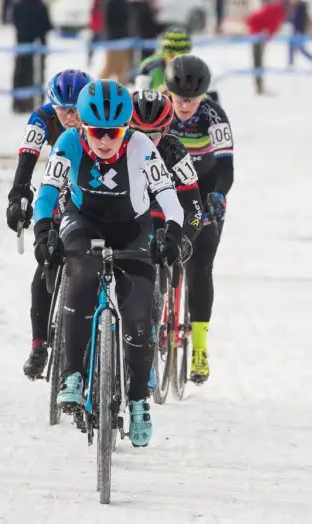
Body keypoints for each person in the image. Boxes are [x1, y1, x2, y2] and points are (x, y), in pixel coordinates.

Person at [32, 79, 185, 447]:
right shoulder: (68, 143)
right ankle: (72, 375)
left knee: (138, 315)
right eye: (97, 132)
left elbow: (168, 196)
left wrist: (174, 234)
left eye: (114, 132)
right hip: (83, 221)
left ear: (126, 128)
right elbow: (48, 192)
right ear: (83, 127)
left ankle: (136, 400)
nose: (104, 141)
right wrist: (41, 233)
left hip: (133, 227)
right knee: (82, 275)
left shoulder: (142, 147)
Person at [6, 69, 93, 380]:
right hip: (58, 187)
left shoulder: (99, 115)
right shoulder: (41, 118)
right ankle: (39, 343)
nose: (70, 116)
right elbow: (27, 160)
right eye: (63, 110)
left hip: (91, 191)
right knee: (44, 267)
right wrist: (18, 195)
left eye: (76, 109)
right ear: (51, 106)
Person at [128, 88, 209, 392]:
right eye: (138, 132)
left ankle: (146, 356)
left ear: (166, 129)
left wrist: (185, 238)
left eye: (155, 134)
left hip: (161, 217)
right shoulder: (113, 145)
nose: (147, 141)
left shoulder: (175, 151)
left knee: (154, 272)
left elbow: (195, 206)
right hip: (124, 216)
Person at [164, 54, 234, 384]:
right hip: (165, 186)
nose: (186, 106)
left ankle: (200, 350)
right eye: (181, 99)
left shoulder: (213, 116)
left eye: (193, 99)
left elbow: (225, 167)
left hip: (204, 189)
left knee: (201, 265)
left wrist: (218, 195)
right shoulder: (158, 111)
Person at [134, 27, 222, 106]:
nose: (178, 65)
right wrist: (160, 94)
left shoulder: (199, 68)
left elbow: (214, 101)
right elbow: (138, 101)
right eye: (172, 57)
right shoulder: (149, 66)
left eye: (182, 58)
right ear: (165, 54)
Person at [246, 0, 286, 95]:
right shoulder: (277, 10)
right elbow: (270, 25)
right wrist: (267, 35)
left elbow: (271, 25)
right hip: (257, 35)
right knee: (258, 60)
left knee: (258, 60)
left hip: (258, 34)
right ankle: (259, 85)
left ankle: (259, 85)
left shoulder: (276, 9)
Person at [288, 0, 312, 68]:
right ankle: (290, 63)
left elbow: (301, 21)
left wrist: (299, 31)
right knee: (292, 47)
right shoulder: (295, 7)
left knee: (300, 48)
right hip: (295, 31)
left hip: (299, 32)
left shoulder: (301, 7)